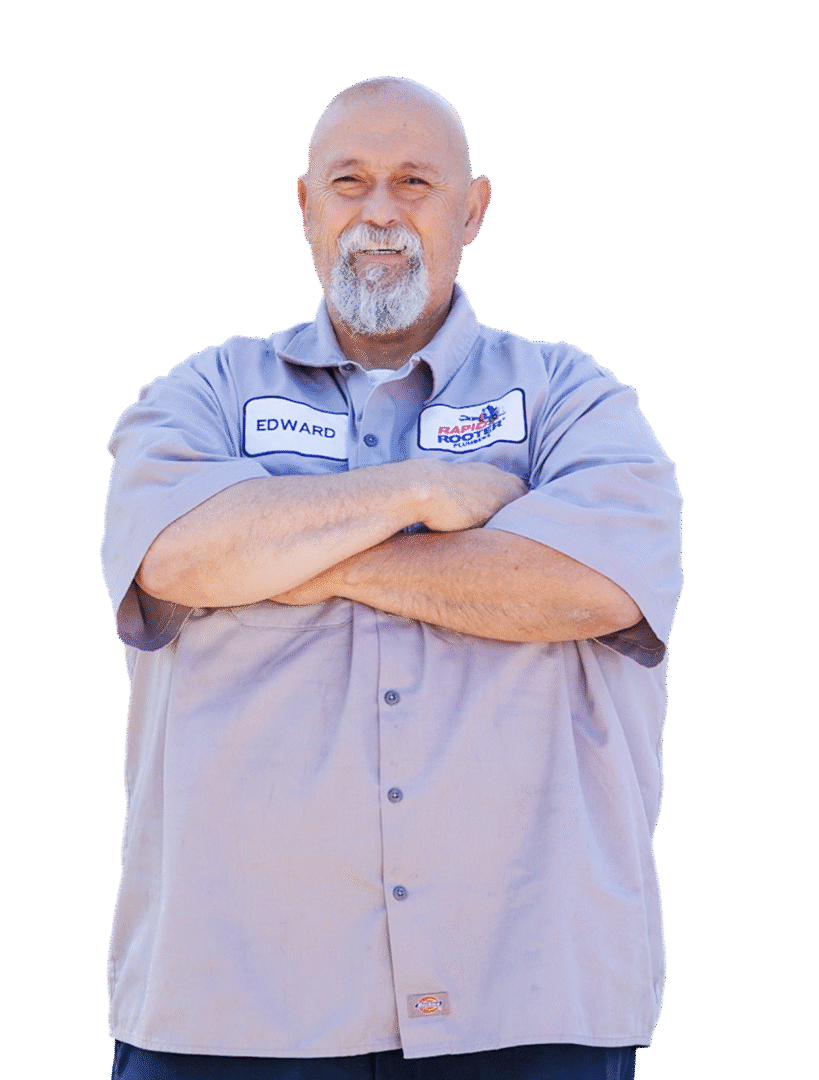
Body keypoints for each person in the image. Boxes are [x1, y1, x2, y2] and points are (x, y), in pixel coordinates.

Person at [101, 76, 683, 1080]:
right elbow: (176, 555)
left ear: (473, 208)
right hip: (234, 1005)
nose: (379, 211)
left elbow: (591, 587)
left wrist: (294, 553)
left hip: (529, 995)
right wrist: (418, 489)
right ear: (306, 206)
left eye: (414, 181)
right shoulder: (201, 392)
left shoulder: (573, 398)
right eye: (349, 181)